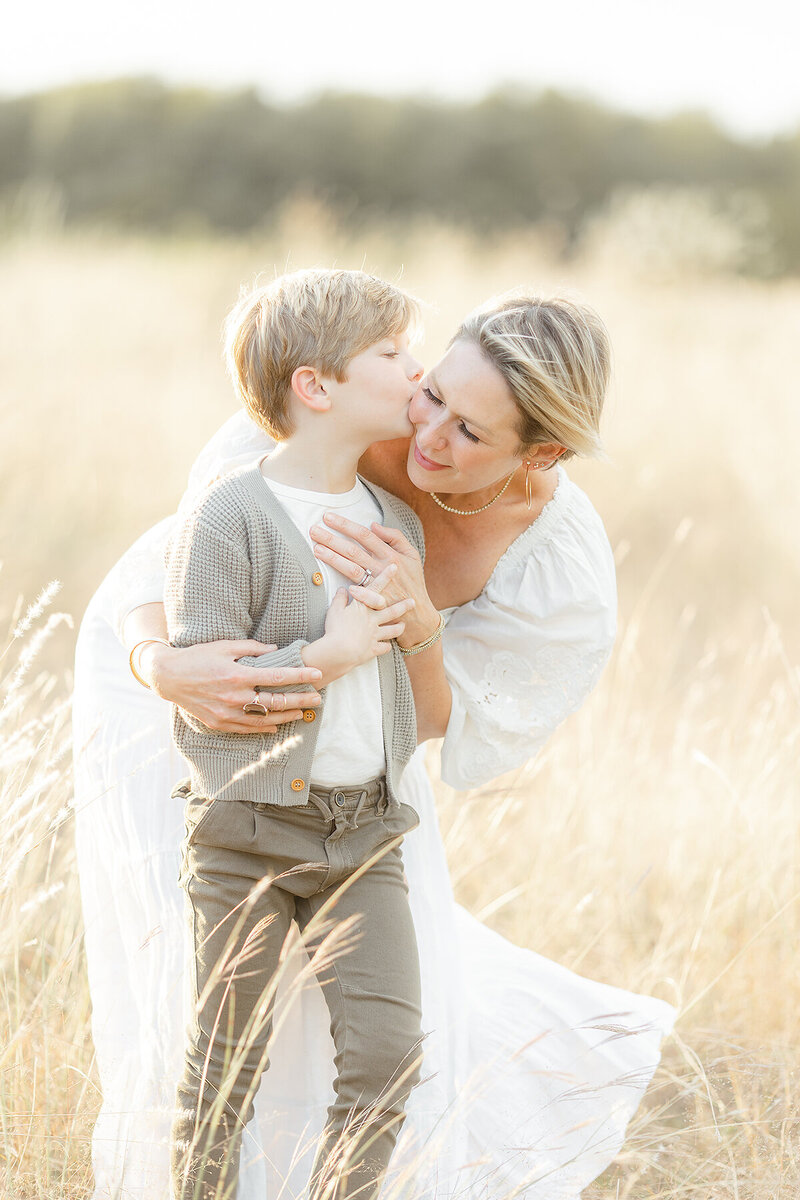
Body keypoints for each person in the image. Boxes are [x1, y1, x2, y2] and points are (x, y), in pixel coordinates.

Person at [73, 285, 677, 1200]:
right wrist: (160, 664)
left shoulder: (559, 570)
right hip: (205, 718)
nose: (430, 433)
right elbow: (170, 569)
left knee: (389, 1031)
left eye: (473, 434)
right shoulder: (328, 423)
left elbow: (443, 724)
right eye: (434, 391)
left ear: (540, 452)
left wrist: (419, 615)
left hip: (365, 768)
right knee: (226, 1015)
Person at [161, 268, 432, 1200]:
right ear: (315, 387)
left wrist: (410, 617)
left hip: (366, 833)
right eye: (393, 355)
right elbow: (212, 690)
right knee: (225, 1067)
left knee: (389, 1059)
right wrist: (331, 654)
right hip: (246, 830)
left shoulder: (392, 519)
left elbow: (412, 665)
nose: (417, 372)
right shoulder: (230, 513)